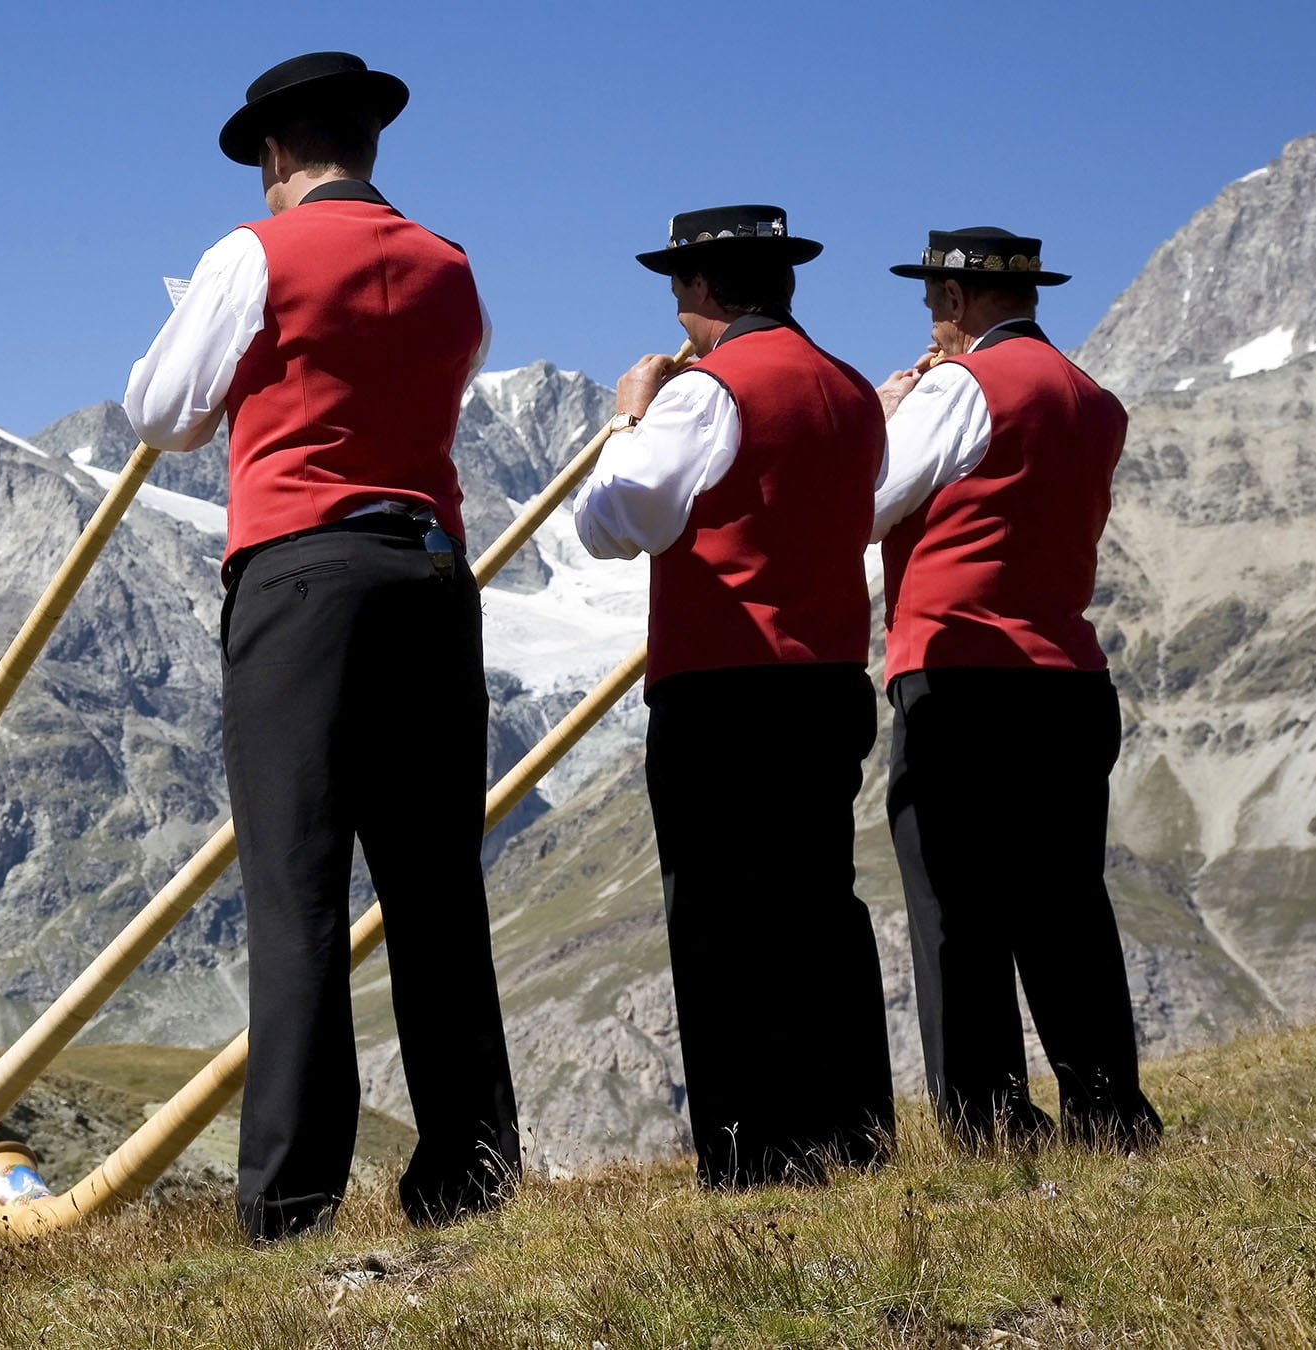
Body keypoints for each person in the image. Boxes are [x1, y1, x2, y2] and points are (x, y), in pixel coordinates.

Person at [123, 50, 519, 1240]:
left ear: (277, 154)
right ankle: (471, 1173)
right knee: (437, 886)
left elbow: (160, 416)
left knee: (297, 887)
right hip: (436, 573)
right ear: (369, 144)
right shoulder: (451, 265)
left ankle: (291, 1199)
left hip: (307, 572)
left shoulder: (251, 254)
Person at [573, 205, 895, 1187]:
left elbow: (614, 523)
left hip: (724, 686)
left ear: (706, 291)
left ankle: (755, 1152)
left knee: (721, 923)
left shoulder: (705, 394)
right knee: (818, 908)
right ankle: (853, 1131)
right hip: (829, 676)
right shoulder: (851, 391)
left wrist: (631, 414)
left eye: (680, 286)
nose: (676, 306)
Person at [873, 227, 1161, 1151]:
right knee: (1066, 902)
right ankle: (1109, 1108)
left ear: (956, 303)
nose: (929, 320)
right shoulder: (1095, 401)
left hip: (958, 670)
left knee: (954, 903)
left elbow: (866, 499)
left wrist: (890, 409)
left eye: (932, 302)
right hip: (1069, 675)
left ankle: (989, 1118)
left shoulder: (962, 386)